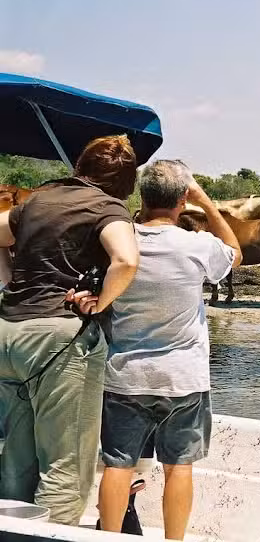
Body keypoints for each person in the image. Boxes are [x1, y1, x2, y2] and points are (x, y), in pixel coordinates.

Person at [97, 160, 242, 540]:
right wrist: (206, 201)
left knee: (118, 466)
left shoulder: (121, 240)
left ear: (142, 197)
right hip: (184, 378)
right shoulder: (197, 245)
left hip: (126, 374)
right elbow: (234, 253)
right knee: (179, 467)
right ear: (182, 200)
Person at [0, 135, 140, 525]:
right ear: (125, 181)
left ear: (82, 166)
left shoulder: (38, 200)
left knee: (16, 459)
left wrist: (11, 284)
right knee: (66, 465)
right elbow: (126, 260)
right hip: (59, 340)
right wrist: (102, 302)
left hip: (8, 333)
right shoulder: (108, 207)